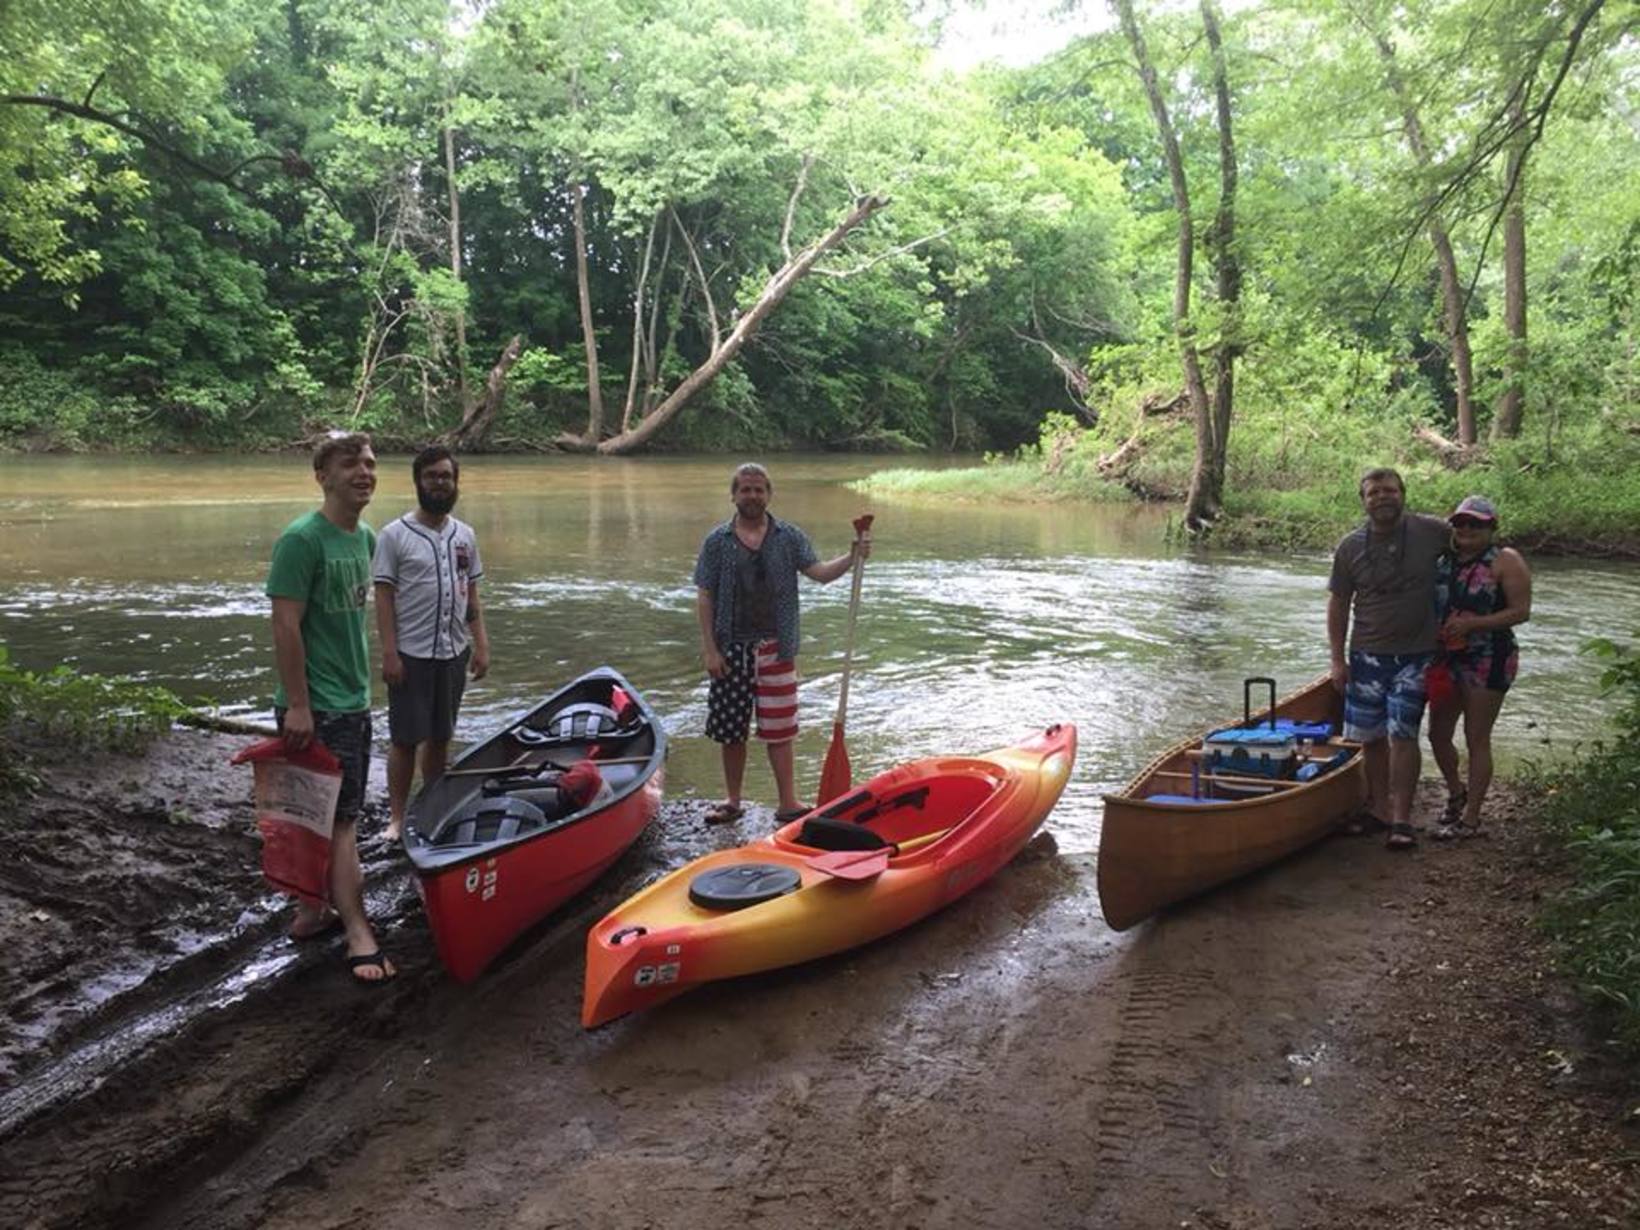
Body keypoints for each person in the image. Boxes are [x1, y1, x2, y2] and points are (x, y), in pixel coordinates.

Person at [265, 431, 394, 982]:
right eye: (350, 464)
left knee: (318, 816)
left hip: (353, 698)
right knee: (341, 822)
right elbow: (285, 623)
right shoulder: (302, 540)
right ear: (323, 475)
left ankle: (313, 908)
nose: (364, 472)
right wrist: (299, 705)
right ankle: (358, 932)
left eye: (369, 464)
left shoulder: (365, 538)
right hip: (319, 706)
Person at [693, 462, 869, 824]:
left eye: (759, 489)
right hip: (730, 649)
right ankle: (733, 801)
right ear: (734, 495)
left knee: (780, 730)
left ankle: (788, 802)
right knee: (731, 730)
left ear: (769, 495)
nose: (752, 495)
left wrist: (852, 557)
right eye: (745, 489)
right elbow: (705, 595)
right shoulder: (717, 542)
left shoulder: (788, 537)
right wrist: (710, 649)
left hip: (777, 645)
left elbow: (819, 573)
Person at [1327, 467, 1451, 850]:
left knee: (1403, 733)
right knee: (1371, 738)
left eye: (1390, 490)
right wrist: (1337, 660)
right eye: (1374, 492)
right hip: (1365, 654)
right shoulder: (1350, 547)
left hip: (1418, 654)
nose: (1382, 497)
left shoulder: (1433, 533)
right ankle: (1378, 810)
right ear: (1363, 501)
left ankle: (1401, 818)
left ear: (1403, 494)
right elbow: (1338, 603)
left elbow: (1475, 546)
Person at [373, 445, 490, 841]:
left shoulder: (465, 536)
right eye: (432, 476)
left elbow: (470, 594)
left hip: (452, 651)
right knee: (405, 739)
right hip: (411, 652)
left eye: (446, 476)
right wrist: (389, 652)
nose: (440, 483)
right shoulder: (393, 535)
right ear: (417, 482)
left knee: (441, 736)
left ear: (455, 483)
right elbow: (384, 597)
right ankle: (396, 818)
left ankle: (435, 809)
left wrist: (482, 645)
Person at [1427, 496, 1532, 840]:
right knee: (1437, 734)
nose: (1467, 530)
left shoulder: (1505, 560)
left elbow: (1520, 611)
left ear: (1491, 527)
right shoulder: (1443, 559)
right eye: (1461, 523)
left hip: (1491, 657)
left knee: (1476, 737)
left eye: (1476, 524)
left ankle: (1471, 819)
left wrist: (1474, 625)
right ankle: (1456, 793)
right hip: (1446, 657)